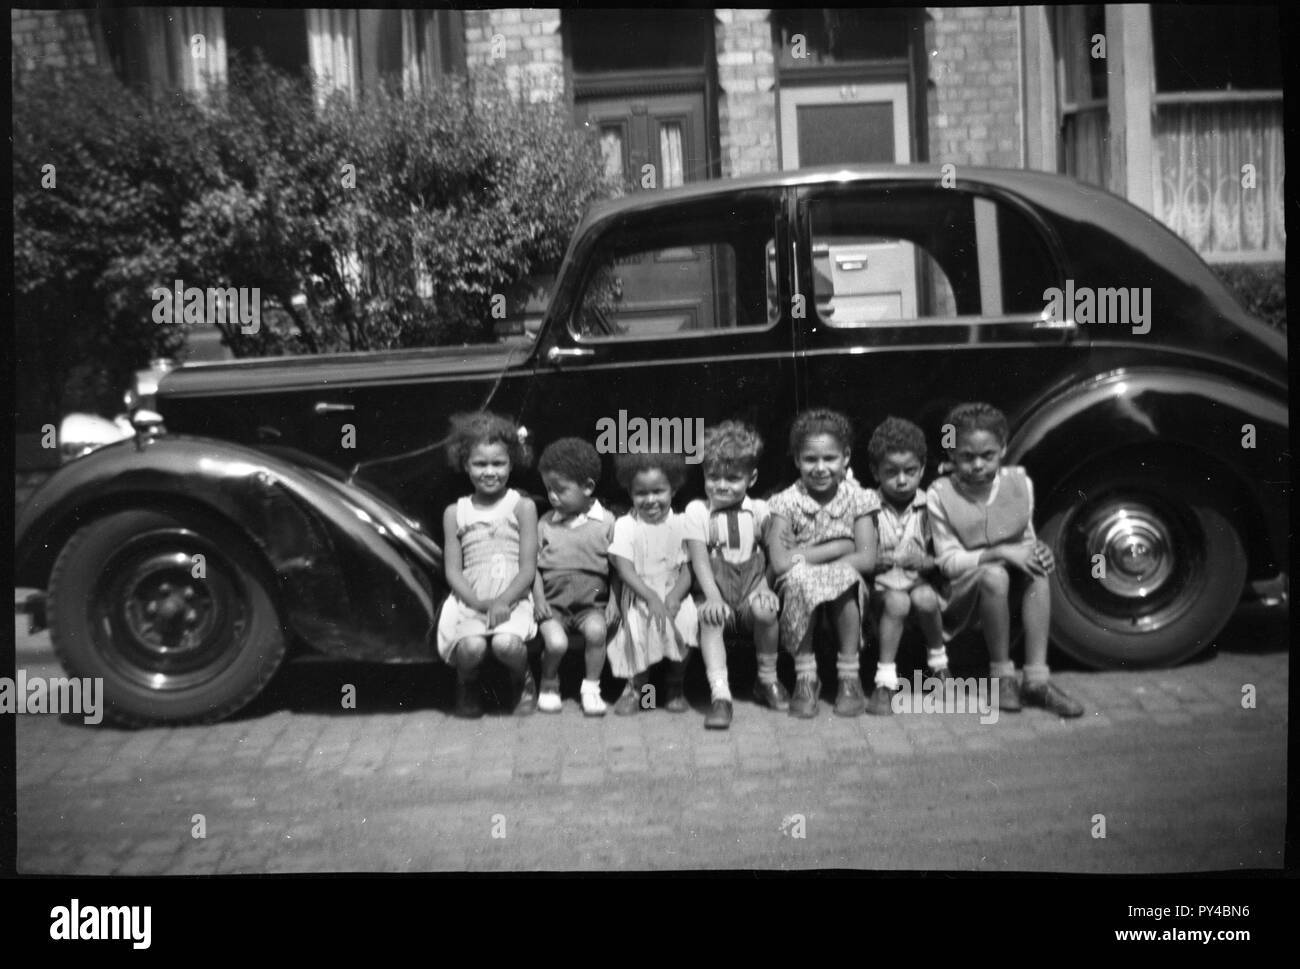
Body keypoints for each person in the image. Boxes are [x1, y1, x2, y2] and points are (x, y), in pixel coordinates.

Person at [927, 402, 1084, 717]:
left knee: (1037, 567)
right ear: (952, 454)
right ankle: (1002, 676)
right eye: (967, 457)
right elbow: (947, 561)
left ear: (1002, 450)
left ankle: (1037, 681)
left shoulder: (1019, 483)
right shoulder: (940, 492)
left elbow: (1025, 538)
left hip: (1006, 592)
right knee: (994, 575)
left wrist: (1037, 549)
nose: (978, 465)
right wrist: (998, 552)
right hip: (962, 595)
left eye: (988, 456)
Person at [767, 409, 879, 718]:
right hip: (799, 581)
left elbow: (866, 558)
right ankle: (806, 676)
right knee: (800, 579)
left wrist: (805, 553)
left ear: (845, 457)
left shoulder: (859, 499)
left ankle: (848, 676)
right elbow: (780, 562)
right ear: (796, 461)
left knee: (843, 579)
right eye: (810, 460)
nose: (820, 468)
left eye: (829, 458)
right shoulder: (785, 501)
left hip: (840, 578)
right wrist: (841, 546)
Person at [435, 412, 539, 718]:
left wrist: (504, 600)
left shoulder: (522, 506)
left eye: (498, 463)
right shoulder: (456, 511)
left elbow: (527, 567)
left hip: (513, 597)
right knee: (471, 648)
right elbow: (453, 570)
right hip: (472, 598)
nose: (489, 472)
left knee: (506, 644)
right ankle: (467, 684)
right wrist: (477, 602)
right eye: (480, 464)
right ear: (465, 464)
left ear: (511, 463)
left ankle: (523, 680)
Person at [683, 421, 783, 729]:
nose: (721, 485)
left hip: (752, 591)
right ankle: (720, 695)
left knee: (766, 611)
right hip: (717, 592)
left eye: (732, 478)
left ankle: (766, 679)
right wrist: (712, 596)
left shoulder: (761, 510)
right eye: (713, 477)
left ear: (751, 478)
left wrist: (765, 586)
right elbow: (700, 561)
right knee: (710, 618)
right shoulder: (698, 511)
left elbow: (773, 554)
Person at [863, 416, 948, 715]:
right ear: (875, 471)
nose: (902, 480)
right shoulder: (867, 507)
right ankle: (885, 681)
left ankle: (940, 667)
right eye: (891, 472)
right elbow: (860, 555)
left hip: (917, 582)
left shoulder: (929, 506)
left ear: (922, 469)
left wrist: (926, 561)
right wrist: (874, 562)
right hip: (881, 590)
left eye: (910, 472)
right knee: (898, 602)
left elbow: (943, 553)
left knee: (925, 597)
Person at [606, 450, 700, 716]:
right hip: (639, 593)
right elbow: (624, 569)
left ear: (673, 488)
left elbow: (688, 568)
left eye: (658, 491)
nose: (650, 500)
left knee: (685, 624)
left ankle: (674, 685)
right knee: (637, 631)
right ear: (630, 493)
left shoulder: (682, 524)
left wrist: (674, 597)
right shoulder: (626, 525)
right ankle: (639, 689)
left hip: (674, 591)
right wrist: (650, 597)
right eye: (641, 494)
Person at [532, 437, 614, 716]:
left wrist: (613, 601)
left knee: (596, 632)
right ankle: (549, 684)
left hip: (591, 606)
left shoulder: (607, 522)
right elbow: (533, 567)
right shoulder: (544, 523)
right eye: (548, 490)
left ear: (588, 487)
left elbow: (617, 568)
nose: (553, 496)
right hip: (552, 606)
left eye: (561, 490)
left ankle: (591, 688)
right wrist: (539, 599)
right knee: (556, 643)